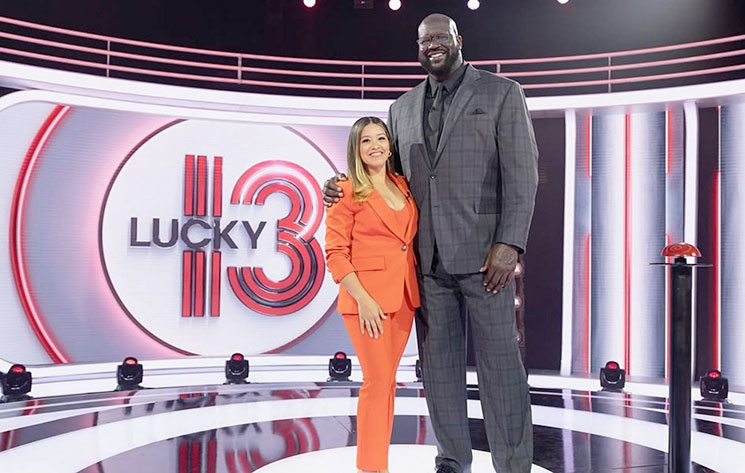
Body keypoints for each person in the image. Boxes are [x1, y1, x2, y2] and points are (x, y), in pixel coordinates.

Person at [324, 13, 538, 473]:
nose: (432, 45)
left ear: (459, 39)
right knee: (439, 372)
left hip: (487, 260)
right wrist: (340, 183)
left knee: (501, 369)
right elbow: (386, 177)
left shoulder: (502, 93)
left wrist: (510, 242)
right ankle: (452, 460)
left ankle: (513, 465)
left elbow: (523, 174)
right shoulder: (401, 108)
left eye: (441, 37)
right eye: (424, 40)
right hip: (425, 265)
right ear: (418, 48)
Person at [325, 116, 420, 473]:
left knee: (387, 383)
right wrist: (364, 300)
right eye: (366, 140)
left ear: (390, 146)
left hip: (404, 297)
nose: (375, 145)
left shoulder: (402, 184)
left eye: (381, 138)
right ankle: (371, 467)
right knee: (377, 384)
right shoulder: (345, 190)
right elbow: (335, 253)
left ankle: (378, 463)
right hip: (367, 303)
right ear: (356, 148)